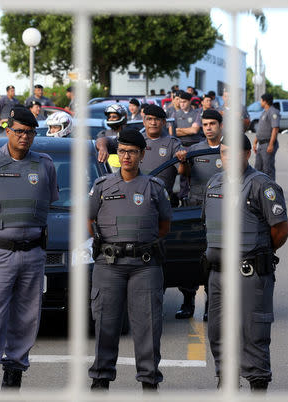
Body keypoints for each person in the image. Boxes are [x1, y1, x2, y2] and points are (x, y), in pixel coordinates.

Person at [0, 105, 59, 390]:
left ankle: (13, 378)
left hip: (33, 254)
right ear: (8, 131)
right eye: (19, 131)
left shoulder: (45, 164)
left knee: (26, 319)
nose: (24, 137)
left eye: (30, 133)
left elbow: (49, 202)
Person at [88, 128, 172, 391]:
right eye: (122, 151)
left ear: (142, 154)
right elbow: (89, 221)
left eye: (132, 152)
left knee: (147, 324)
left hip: (144, 266)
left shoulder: (155, 187)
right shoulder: (102, 186)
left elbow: (165, 225)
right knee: (106, 323)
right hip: (109, 265)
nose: (126, 157)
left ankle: (149, 381)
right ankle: (101, 378)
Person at [205, 134, 288, 392]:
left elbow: (281, 230)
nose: (228, 158)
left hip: (250, 272)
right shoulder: (214, 185)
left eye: (234, 152)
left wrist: (258, 253)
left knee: (253, 334)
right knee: (217, 333)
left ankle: (258, 386)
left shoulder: (262, 186)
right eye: (223, 153)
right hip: (218, 275)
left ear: (247, 154)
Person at [174, 109, 224, 320]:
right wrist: (183, 161)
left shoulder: (227, 150)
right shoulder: (194, 149)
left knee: (215, 259)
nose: (208, 128)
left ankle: (212, 306)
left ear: (220, 125)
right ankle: (187, 302)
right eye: (205, 124)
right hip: (194, 209)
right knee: (191, 256)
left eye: (212, 123)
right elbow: (182, 174)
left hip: (220, 212)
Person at [253, 93, 280, 181]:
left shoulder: (273, 112)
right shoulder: (264, 112)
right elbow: (261, 129)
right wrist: (255, 142)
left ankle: (271, 189)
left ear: (265, 101)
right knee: (258, 168)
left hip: (268, 143)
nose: (260, 102)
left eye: (261, 100)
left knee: (267, 168)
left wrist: (271, 144)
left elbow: (275, 129)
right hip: (261, 144)